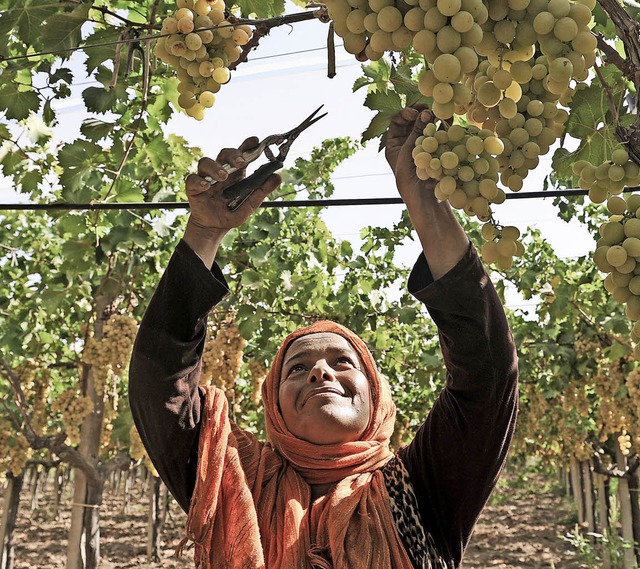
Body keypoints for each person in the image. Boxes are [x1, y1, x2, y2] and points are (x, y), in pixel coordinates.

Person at [129, 106, 519, 569]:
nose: (319, 370)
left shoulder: (423, 488)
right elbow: (159, 383)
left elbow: (487, 374)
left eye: (343, 362)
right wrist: (204, 232)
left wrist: (424, 200)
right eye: (296, 368)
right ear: (273, 402)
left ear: (377, 399)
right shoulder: (229, 476)